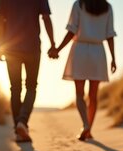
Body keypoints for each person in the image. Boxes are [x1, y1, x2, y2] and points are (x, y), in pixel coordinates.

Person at [50, 0, 117, 141]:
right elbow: (110, 34)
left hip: (79, 50)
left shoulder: (79, 4)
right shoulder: (107, 7)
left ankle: (85, 124)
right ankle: (89, 130)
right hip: (98, 52)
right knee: (93, 95)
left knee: (79, 94)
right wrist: (113, 58)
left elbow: (71, 31)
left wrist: (58, 49)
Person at [0, 0, 57, 142]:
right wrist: (53, 44)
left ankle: (18, 129)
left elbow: (0, 20)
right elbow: (46, 18)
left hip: (11, 48)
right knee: (31, 87)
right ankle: (22, 123)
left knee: (15, 88)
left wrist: (0, 45)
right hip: (32, 48)